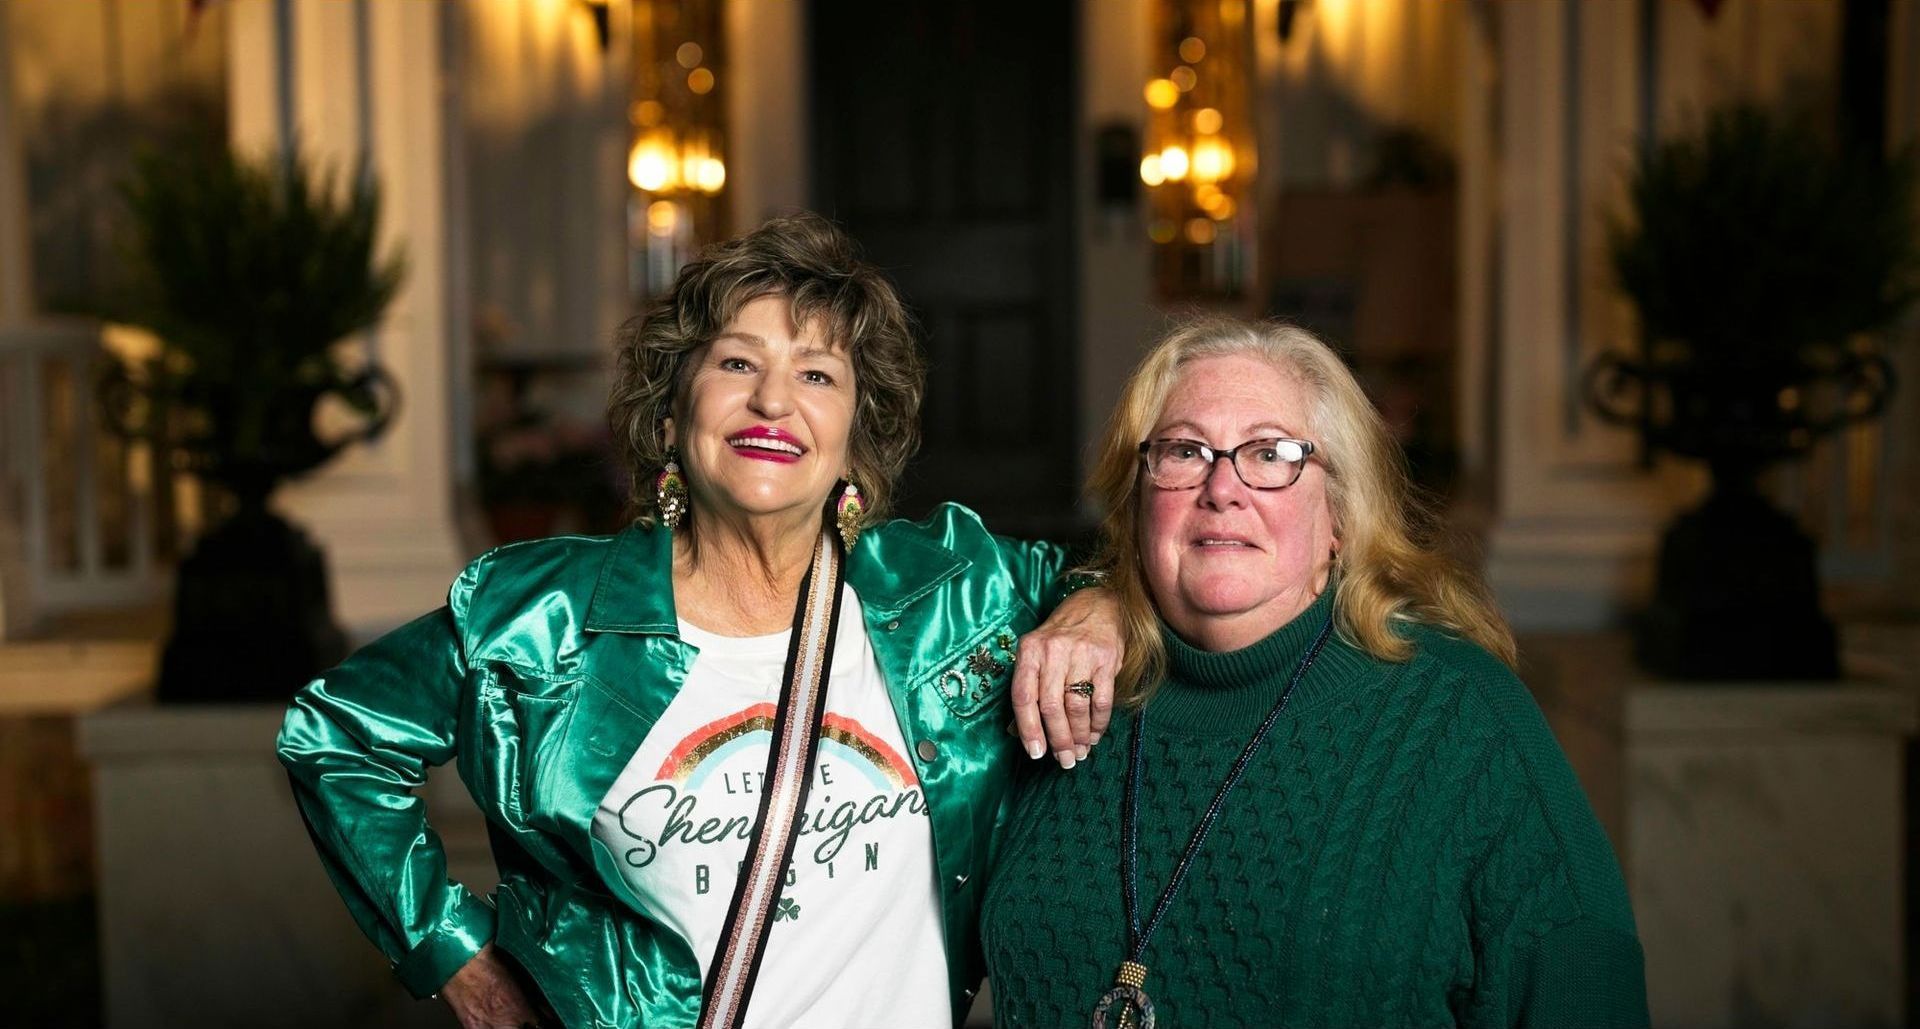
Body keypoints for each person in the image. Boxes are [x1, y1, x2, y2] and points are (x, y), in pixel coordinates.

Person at [278, 214, 1123, 1029]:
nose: (773, 400)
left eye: (817, 375)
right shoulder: (544, 617)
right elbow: (337, 733)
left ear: (856, 437)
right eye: (736, 362)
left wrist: (1094, 606)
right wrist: (452, 952)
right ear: (672, 413)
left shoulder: (952, 590)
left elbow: (1128, 566)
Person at [981, 318, 1648, 1028]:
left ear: (1340, 515)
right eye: (1184, 451)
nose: (1222, 487)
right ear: (1138, 500)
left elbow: (1585, 980)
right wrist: (1092, 597)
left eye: (1271, 453)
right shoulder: (1062, 683)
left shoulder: (1459, 714)